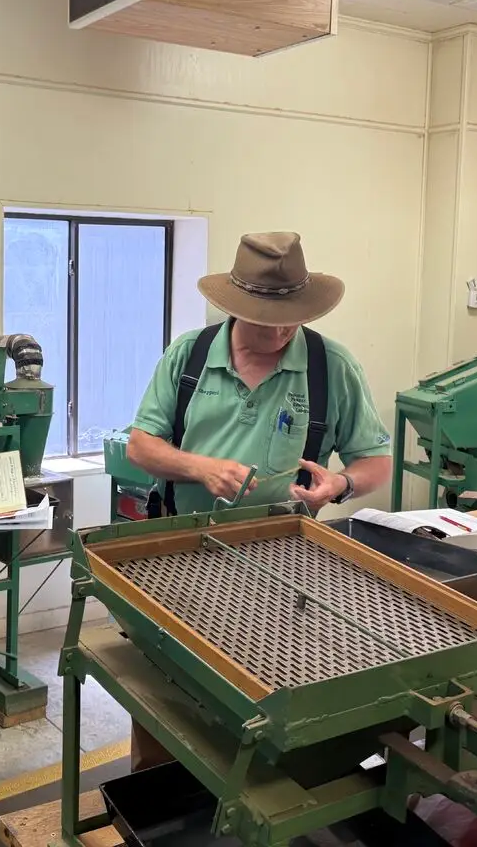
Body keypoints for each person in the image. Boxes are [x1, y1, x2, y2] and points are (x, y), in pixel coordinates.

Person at [123, 230, 393, 771]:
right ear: (234, 306)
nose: (280, 332)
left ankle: (251, 790)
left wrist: (339, 485)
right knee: (166, 691)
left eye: (291, 318)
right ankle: (157, 800)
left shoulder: (330, 366)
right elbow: (140, 446)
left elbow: (376, 461)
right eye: (266, 320)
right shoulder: (189, 356)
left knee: (268, 689)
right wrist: (201, 467)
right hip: (181, 554)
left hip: (285, 562)